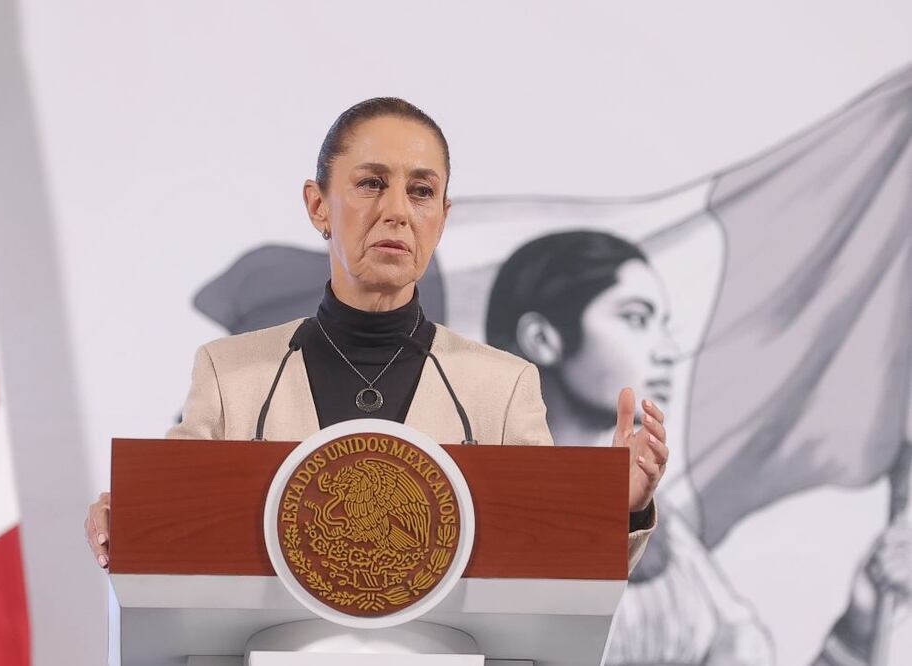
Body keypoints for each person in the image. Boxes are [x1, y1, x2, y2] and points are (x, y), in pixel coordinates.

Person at [84, 98, 668, 574]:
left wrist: (621, 511)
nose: (397, 211)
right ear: (318, 206)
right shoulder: (230, 376)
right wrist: (128, 521)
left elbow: (554, 566)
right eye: (370, 183)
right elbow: (170, 526)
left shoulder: (502, 387)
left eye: (421, 191)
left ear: (441, 217)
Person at [486, 230, 911, 665]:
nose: (668, 350)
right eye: (636, 318)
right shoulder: (471, 510)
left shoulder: (664, 529)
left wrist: (860, 619)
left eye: (664, 324)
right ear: (543, 339)